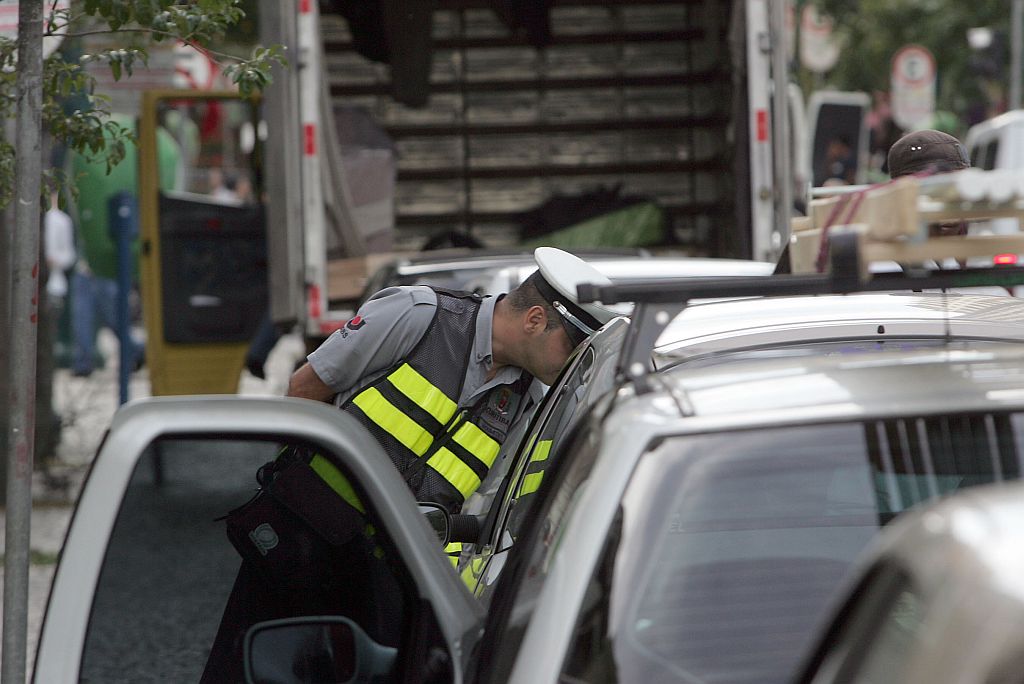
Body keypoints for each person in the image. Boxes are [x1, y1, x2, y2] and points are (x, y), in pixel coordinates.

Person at [201, 247, 617, 681]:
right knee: (247, 668)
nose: (572, 363)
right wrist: (292, 498)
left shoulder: (526, 402)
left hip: (390, 576)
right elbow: (305, 390)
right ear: (534, 319)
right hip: (303, 543)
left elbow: (477, 505)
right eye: (571, 346)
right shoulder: (419, 316)